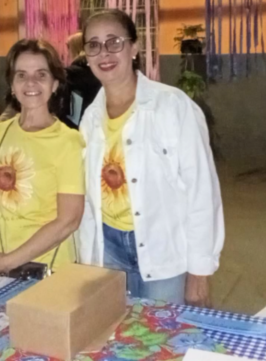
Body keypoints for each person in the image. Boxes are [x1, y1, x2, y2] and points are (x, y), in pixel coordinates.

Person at [78, 10, 225, 307]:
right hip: (108, 248)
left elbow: (202, 191)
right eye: (93, 45)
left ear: (134, 48)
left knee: (165, 331)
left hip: (164, 250)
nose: (104, 53)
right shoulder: (90, 119)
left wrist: (200, 272)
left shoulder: (173, 106)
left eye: (114, 42)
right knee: (116, 330)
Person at [0, 39, 85, 275]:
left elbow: (69, 220)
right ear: (12, 84)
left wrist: (7, 263)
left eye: (41, 75)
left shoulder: (68, 141)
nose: (31, 82)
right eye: (21, 75)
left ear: (55, 84)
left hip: (45, 271)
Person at [62, 32, 102, 129]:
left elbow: (71, 106)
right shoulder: (100, 70)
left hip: (78, 126)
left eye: (69, 48)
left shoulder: (71, 74)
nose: (67, 53)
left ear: (74, 49)